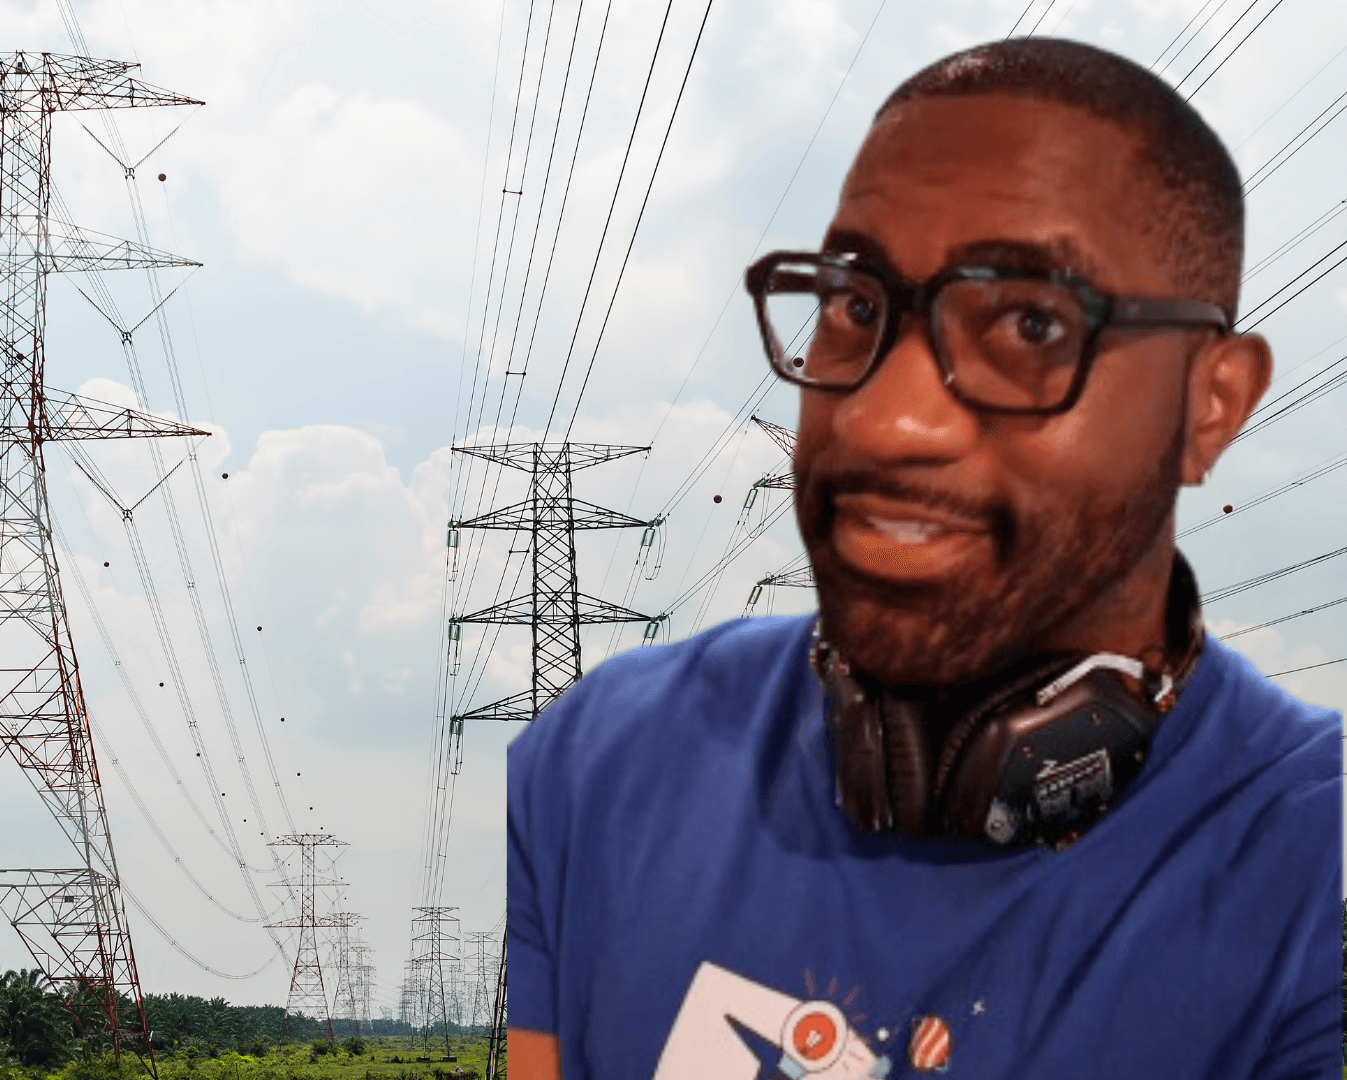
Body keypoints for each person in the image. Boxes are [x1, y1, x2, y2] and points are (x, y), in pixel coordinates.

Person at [505, 37, 1342, 1080]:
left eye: (1032, 323)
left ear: (1210, 403)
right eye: (856, 309)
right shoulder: (593, 764)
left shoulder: (1313, 856)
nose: (888, 421)